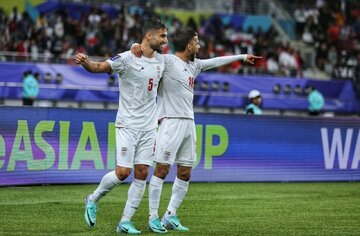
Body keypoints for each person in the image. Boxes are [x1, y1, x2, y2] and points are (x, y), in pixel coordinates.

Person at [131, 28, 261, 233]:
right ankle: (153, 217)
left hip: (189, 124)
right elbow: (145, 53)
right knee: (162, 170)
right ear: (189, 45)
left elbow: (217, 61)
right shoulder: (167, 61)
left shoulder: (194, 65)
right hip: (170, 122)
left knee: (185, 171)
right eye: (197, 42)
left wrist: (243, 56)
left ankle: (170, 215)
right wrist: (134, 47)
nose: (199, 45)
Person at [75, 17, 168, 234]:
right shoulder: (127, 58)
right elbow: (99, 67)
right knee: (123, 172)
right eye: (162, 35)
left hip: (148, 128)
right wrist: (86, 62)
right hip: (127, 125)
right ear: (149, 36)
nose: (165, 40)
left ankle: (125, 221)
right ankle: (93, 199)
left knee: (142, 172)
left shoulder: (162, 61)